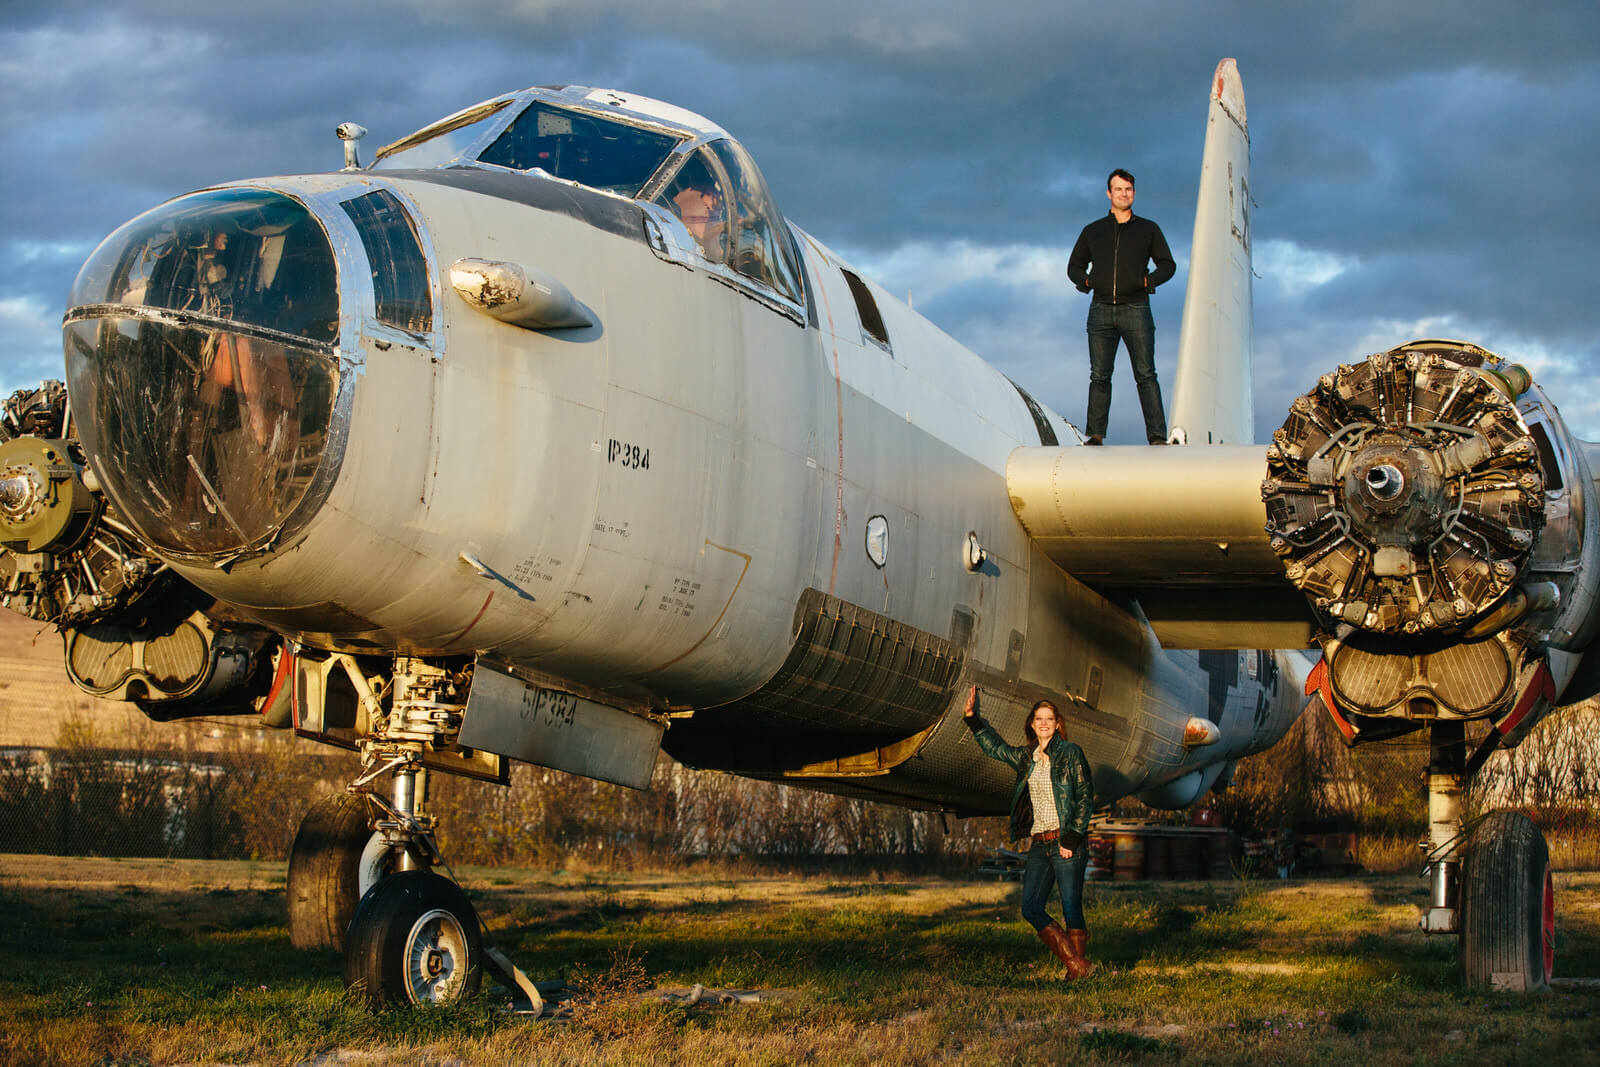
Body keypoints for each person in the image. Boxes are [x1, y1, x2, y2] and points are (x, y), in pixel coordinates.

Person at [964, 686, 1095, 978]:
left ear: (1057, 724)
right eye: (1039, 718)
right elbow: (996, 749)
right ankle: (1077, 965)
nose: (1044, 723)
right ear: (1032, 724)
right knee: (1030, 907)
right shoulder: (1027, 758)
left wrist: (1072, 837)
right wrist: (973, 719)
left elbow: (1085, 796)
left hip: (1066, 841)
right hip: (1040, 843)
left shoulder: (1071, 753)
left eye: (1049, 718)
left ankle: (1075, 971)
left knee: (1071, 907)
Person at [1066, 169, 1176, 445]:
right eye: (1118, 189)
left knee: (1146, 374)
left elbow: (1168, 264)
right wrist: (1088, 281)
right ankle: (1095, 435)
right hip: (1101, 310)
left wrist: (1148, 282)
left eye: (1128, 189)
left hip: (1136, 309)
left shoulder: (1148, 229)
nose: (1123, 194)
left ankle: (1157, 436)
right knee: (1100, 375)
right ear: (1109, 193)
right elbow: (1073, 266)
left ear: (1134, 194)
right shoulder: (1094, 231)